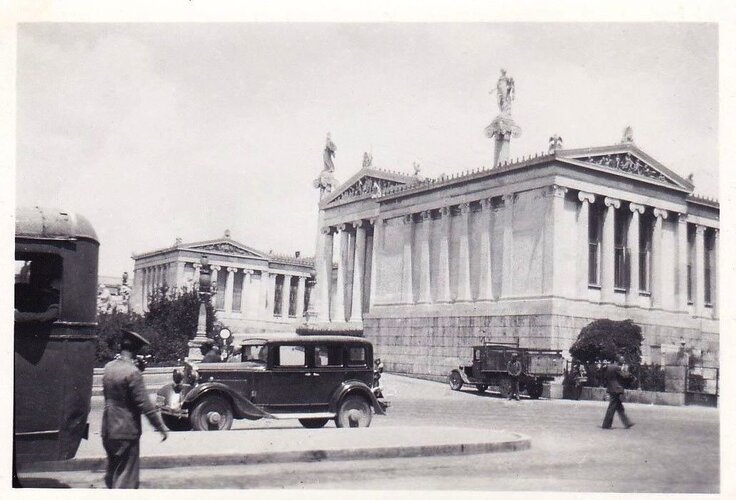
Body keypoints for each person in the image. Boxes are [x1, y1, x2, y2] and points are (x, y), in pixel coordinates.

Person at [102, 329, 168, 489]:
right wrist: (160, 427)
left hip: (108, 428)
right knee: (126, 479)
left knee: (113, 474)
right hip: (126, 429)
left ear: (121, 346)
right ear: (136, 351)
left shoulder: (108, 367)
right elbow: (145, 405)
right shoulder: (133, 373)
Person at [601, 354, 635, 429]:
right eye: (622, 360)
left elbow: (606, 377)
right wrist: (628, 373)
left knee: (619, 407)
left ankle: (627, 423)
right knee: (612, 407)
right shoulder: (617, 368)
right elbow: (624, 376)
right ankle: (606, 425)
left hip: (611, 388)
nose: (623, 361)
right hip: (616, 389)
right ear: (618, 360)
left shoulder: (609, 367)